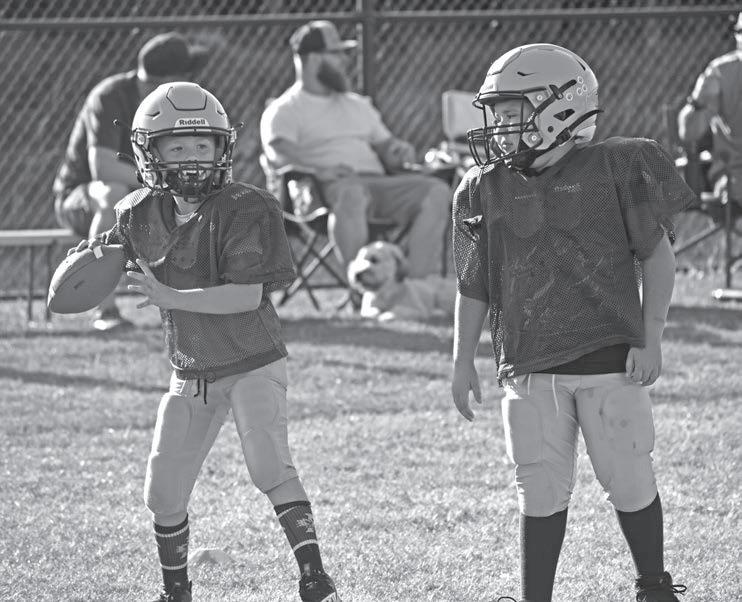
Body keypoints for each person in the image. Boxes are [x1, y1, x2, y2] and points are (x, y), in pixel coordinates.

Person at [71, 82, 340, 602]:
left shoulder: (248, 206)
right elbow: (107, 259)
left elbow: (246, 296)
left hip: (252, 359)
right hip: (191, 369)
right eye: (177, 146)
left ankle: (314, 577)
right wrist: (85, 263)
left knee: (269, 465)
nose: (193, 157)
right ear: (149, 153)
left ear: (223, 148)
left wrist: (170, 296)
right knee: (163, 488)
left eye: (203, 144)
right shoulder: (136, 212)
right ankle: (176, 592)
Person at [450, 44, 692, 602]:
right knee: (537, 487)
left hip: (610, 360)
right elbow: (473, 283)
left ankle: (654, 586)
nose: (499, 129)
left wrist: (652, 336)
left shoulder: (617, 165)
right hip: (530, 363)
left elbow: (657, 256)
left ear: (559, 108)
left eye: (511, 113)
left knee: (629, 476)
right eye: (497, 115)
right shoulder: (483, 186)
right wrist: (462, 360)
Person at [260, 20, 451, 278]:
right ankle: (363, 285)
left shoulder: (358, 105)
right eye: (337, 53)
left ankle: (417, 287)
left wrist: (397, 151)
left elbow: (385, 147)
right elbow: (278, 154)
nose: (344, 60)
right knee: (352, 193)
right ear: (313, 59)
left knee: (436, 191)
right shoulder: (284, 110)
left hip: (379, 184)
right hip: (326, 191)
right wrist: (319, 171)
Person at [53, 32, 210, 330]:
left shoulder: (175, 109)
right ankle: (106, 312)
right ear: (168, 80)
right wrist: (164, 183)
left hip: (143, 196)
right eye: (186, 76)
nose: (191, 82)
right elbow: (103, 168)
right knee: (113, 192)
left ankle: (203, 305)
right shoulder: (110, 95)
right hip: (81, 197)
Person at [678, 11, 742, 207]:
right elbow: (688, 132)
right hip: (734, 174)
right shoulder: (720, 72)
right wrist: (700, 104)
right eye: (739, 32)